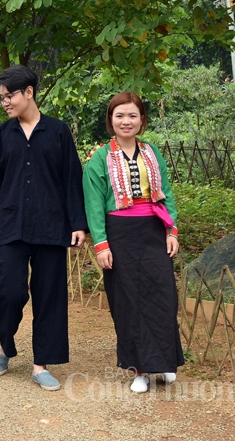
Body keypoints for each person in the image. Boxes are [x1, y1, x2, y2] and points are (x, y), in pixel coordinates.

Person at [0, 65, 88, 391]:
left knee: (49, 295)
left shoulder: (58, 132)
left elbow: (71, 181)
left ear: (29, 93)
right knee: (8, 290)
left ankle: (41, 364)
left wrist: (77, 223)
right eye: (2, 98)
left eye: (9, 96)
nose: (5, 103)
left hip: (52, 226)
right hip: (8, 224)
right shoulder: (1, 135)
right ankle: (5, 343)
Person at [82, 91, 184, 393]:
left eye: (132, 115)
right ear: (110, 121)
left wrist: (172, 231)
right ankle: (139, 369)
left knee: (162, 297)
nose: (126, 121)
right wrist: (101, 244)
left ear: (142, 120)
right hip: (119, 234)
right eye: (119, 115)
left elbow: (167, 193)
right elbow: (94, 204)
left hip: (153, 231)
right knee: (128, 301)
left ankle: (164, 363)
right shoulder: (99, 158)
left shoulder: (153, 153)